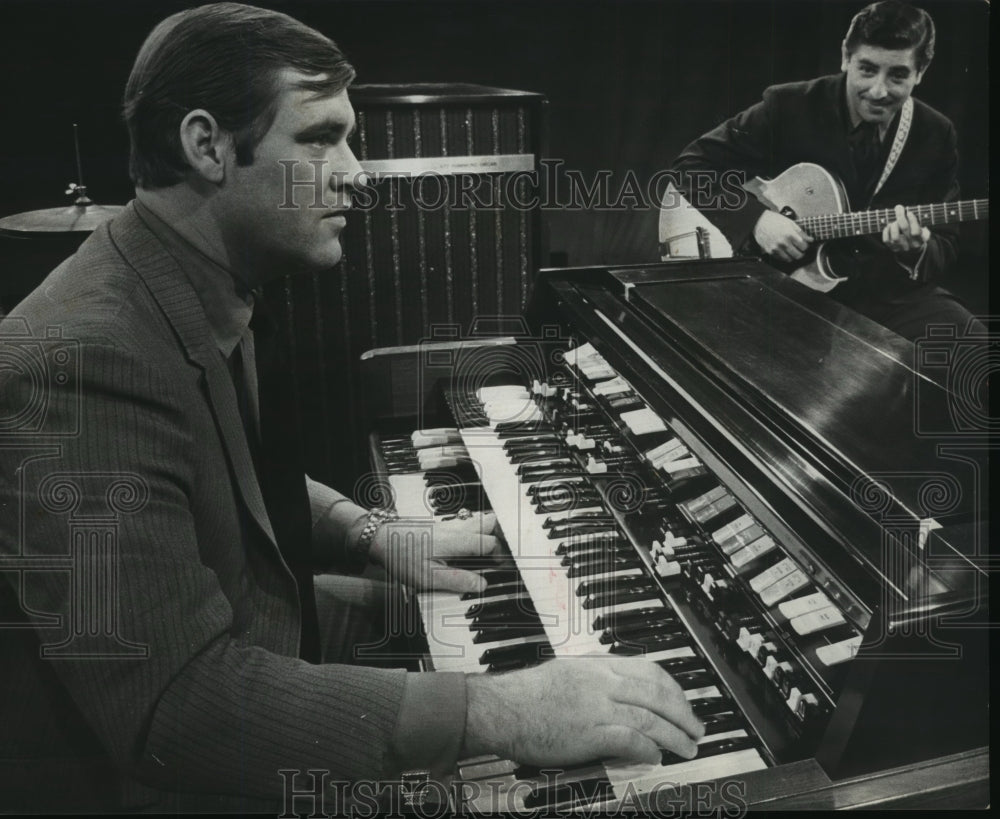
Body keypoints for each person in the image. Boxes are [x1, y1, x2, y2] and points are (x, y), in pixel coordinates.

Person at [0, 3, 702, 812]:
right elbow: (174, 706)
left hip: (267, 632)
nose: (357, 172)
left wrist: (372, 532)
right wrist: (503, 709)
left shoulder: (194, 285)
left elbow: (216, 484)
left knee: (471, 624)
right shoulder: (80, 364)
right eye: (320, 137)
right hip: (162, 776)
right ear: (208, 145)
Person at [671, 0, 983, 342]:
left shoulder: (936, 133)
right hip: (780, 286)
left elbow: (946, 243)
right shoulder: (790, 105)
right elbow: (691, 168)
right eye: (866, 69)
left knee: (975, 352)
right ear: (846, 58)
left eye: (898, 75)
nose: (878, 91)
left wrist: (914, 248)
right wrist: (757, 221)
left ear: (920, 72)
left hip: (880, 294)